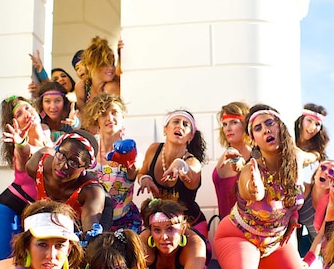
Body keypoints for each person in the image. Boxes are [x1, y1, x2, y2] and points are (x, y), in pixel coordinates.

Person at [213, 105, 306, 269]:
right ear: (252, 138)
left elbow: (297, 190)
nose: (266, 130)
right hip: (238, 236)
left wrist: (294, 216)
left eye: (270, 123)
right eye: (258, 128)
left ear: (280, 126)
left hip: (275, 241)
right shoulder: (250, 168)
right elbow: (249, 190)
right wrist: (254, 188)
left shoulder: (294, 160)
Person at [0, 96, 53, 261]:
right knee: (5, 261)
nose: (26, 114)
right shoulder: (22, 148)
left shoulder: (52, 140)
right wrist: (20, 143)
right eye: (19, 114)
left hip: (37, 210)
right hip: (9, 207)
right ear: (15, 124)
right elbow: (23, 152)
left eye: (27, 108)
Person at [137, 109, 209, 238]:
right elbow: (141, 172)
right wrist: (145, 179)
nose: (180, 126)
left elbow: (193, 170)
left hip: (190, 225)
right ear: (165, 129)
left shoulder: (192, 161)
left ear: (190, 136)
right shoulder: (154, 149)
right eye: (176, 121)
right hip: (160, 225)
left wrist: (180, 164)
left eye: (185, 124)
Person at [26, 130, 112, 237]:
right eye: (61, 155)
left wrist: (90, 237)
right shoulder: (36, 165)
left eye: (74, 163)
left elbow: (89, 228)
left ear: (85, 168)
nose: (63, 166)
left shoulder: (91, 191)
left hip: (87, 217)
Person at [82, 93, 141, 233]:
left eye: (114, 112)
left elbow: (135, 169)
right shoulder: (88, 146)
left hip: (124, 222)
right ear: (96, 120)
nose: (109, 118)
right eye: (103, 114)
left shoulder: (129, 148)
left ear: (122, 117)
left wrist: (129, 161)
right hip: (93, 221)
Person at [211, 102, 251, 223]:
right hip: (224, 228)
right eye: (224, 124)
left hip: (249, 229)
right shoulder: (224, 156)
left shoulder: (255, 156)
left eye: (234, 122)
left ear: (246, 125)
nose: (228, 128)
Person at [74, 36, 121, 112]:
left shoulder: (110, 87)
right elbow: (82, 117)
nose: (111, 68)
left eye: (112, 64)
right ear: (90, 65)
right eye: (104, 64)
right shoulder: (81, 87)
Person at [294, 104, 330, 177]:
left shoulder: (316, 150)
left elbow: (305, 158)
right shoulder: (289, 134)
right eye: (309, 120)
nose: (312, 127)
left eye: (317, 124)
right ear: (301, 120)